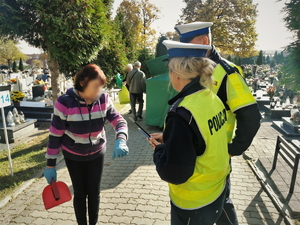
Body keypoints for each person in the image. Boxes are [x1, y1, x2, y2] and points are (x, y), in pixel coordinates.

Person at [174, 22, 261, 225]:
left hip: (216, 157)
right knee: (216, 205)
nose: (184, 47)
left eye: (187, 42)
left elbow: (252, 117)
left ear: (204, 41)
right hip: (195, 154)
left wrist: (233, 149)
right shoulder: (192, 68)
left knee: (220, 203)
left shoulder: (227, 73)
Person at [149, 40, 231, 225]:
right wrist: (170, 137)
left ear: (177, 73)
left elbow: (173, 173)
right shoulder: (212, 97)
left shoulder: (181, 114)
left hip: (192, 203)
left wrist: (160, 150)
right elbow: (203, 137)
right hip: (216, 190)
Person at [43, 64, 129, 225]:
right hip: (73, 155)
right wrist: (50, 165)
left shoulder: (103, 99)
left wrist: (121, 139)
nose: (98, 92)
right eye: (95, 87)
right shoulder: (64, 103)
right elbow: (55, 135)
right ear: (82, 82)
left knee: (94, 192)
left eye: (100, 87)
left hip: (97, 152)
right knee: (80, 193)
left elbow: (119, 120)